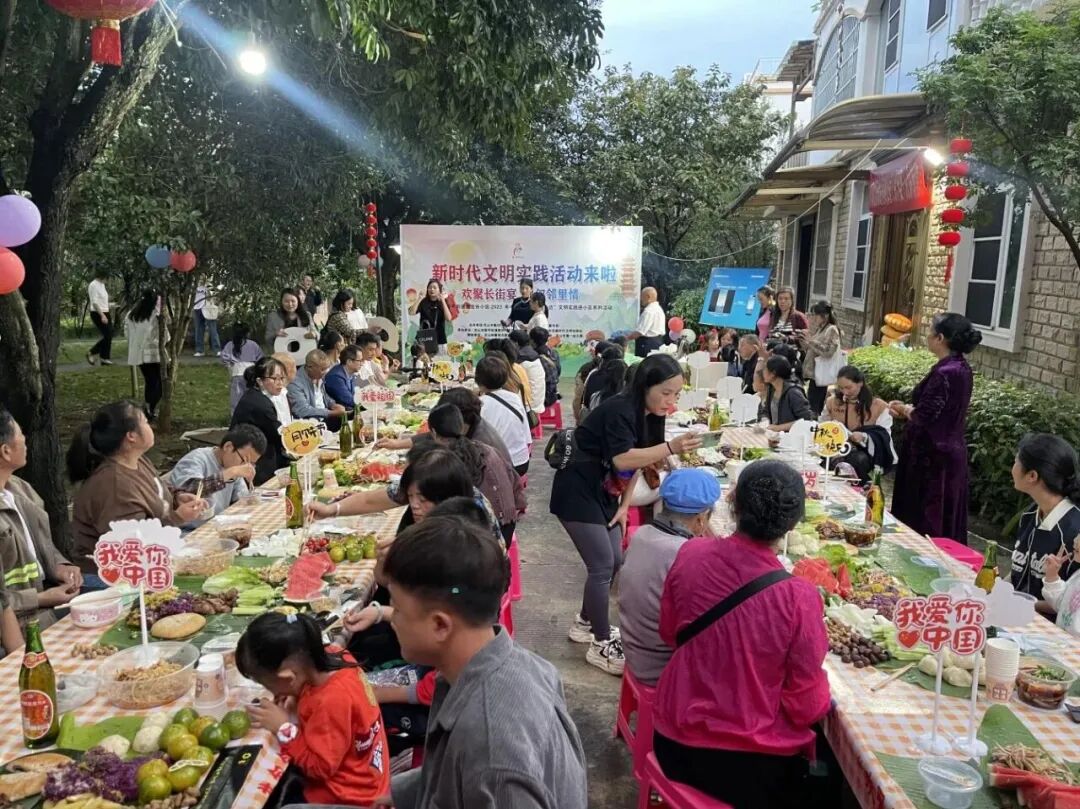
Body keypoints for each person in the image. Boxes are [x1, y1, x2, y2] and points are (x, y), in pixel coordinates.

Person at [376, 517, 588, 809]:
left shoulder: (492, 751)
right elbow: (454, 772)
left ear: (440, 625)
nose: (393, 620)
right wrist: (405, 793)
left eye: (397, 609)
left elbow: (486, 771)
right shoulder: (524, 665)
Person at [653, 460, 829, 808]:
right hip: (749, 767)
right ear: (793, 523)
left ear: (732, 502)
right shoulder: (799, 597)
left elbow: (669, 633)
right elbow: (806, 708)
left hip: (672, 739)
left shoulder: (691, 553)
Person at [550, 354, 702, 675]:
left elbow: (639, 462)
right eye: (666, 393)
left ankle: (585, 623)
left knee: (615, 560)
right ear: (645, 386)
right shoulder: (620, 409)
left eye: (676, 394)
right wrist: (672, 448)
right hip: (577, 488)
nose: (671, 401)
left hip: (604, 489)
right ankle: (601, 643)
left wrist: (623, 506)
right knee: (601, 566)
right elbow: (622, 458)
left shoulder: (650, 413)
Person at [238, 612, 390, 806]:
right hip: (370, 772)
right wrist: (294, 693)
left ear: (288, 677)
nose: (270, 690)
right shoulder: (335, 654)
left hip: (353, 796)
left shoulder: (330, 702)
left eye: (266, 684)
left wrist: (283, 728)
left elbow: (320, 767)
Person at [69, 401, 207, 578]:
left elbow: (154, 492)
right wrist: (177, 518)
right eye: (145, 422)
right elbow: (132, 545)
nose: (151, 427)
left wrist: (176, 498)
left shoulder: (138, 461)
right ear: (131, 436)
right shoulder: (114, 485)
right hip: (110, 576)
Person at [618, 469, 719, 686]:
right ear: (701, 520)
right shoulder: (686, 556)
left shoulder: (641, 534)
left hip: (635, 652)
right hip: (661, 670)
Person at [889, 313, 981, 542]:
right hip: (949, 450)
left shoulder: (945, 372)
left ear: (940, 338)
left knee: (926, 521)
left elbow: (925, 415)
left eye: (930, 332)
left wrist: (904, 409)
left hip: (931, 458)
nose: (927, 336)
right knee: (945, 518)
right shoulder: (961, 367)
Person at [0, 409, 82, 628]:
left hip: (46, 606)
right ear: (6, 451)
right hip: (20, 623)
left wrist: (60, 566)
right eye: (20, 434)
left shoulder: (20, 489)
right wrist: (40, 598)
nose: (25, 439)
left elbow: (40, 545)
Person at [423, 404, 525, 546]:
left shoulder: (446, 465)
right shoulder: (487, 449)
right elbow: (515, 481)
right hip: (508, 524)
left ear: (434, 433)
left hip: (484, 538)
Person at [1009, 433, 1080, 606]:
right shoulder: (1031, 514)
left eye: (1016, 462)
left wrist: (1022, 604)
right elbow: (1017, 572)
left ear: (1032, 476)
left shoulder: (1074, 531)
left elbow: (1070, 603)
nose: (1012, 468)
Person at [168, 425, 266, 526]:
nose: (245, 465)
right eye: (244, 459)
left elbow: (241, 500)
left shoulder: (233, 465)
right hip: (187, 530)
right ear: (228, 446)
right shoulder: (195, 460)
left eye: (251, 463)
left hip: (217, 525)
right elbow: (189, 490)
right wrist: (231, 472)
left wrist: (251, 496)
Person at [821, 366, 896, 480]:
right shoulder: (832, 402)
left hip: (864, 453)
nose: (845, 392)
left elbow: (884, 435)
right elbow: (822, 425)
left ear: (860, 383)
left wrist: (864, 436)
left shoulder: (878, 406)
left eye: (848, 387)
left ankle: (861, 486)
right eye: (841, 388)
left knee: (858, 460)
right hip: (835, 448)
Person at [232, 358, 291, 486]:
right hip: (250, 461)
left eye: (282, 378)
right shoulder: (259, 404)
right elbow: (279, 433)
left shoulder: (259, 396)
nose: (280, 383)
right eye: (274, 378)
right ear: (260, 381)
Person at [476, 356, 532, 476]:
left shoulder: (479, 404)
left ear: (478, 380)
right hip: (521, 462)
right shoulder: (515, 398)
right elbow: (527, 437)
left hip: (497, 465)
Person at [125, 290, 166, 422]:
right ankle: (150, 408)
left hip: (138, 354)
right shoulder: (155, 316)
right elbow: (164, 336)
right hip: (154, 353)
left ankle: (149, 407)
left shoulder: (131, 314)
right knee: (160, 382)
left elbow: (127, 333)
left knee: (150, 381)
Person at [798, 301, 842, 414]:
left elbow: (828, 352)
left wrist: (811, 341)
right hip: (815, 374)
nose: (813, 318)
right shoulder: (821, 329)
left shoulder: (831, 329)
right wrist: (804, 342)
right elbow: (814, 350)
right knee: (812, 402)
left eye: (815, 315)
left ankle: (813, 422)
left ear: (825, 315)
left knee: (814, 406)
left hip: (821, 374)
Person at [287, 350, 347, 426]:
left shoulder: (319, 375)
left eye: (327, 368)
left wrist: (332, 404)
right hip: (310, 424)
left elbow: (323, 395)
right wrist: (330, 413)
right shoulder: (295, 383)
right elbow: (302, 410)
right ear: (310, 367)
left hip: (325, 417)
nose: (326, 372)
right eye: (322, 369)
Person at [761, 356, 814, 431]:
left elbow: (806, 419)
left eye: (765, 369)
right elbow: (765, 411)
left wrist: (779, 428)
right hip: (774, 434)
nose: (763, 372)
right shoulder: (772, 389)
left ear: (773, 373)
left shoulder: (793, 393)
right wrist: (765, 422)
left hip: (791, 435)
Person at [221, 323, 264, 413]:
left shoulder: (230, 345)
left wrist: (230, 367)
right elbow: (260, 359)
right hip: (251, 372)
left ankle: (236, 416)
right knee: (252, 396)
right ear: (247, 333)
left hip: (237, 373)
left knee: (236, 398)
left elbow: (224, 359)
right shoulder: (253, 344)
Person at [409, 279, 452, 354]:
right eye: (430, 287)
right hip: (424, 340)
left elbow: (448, 318)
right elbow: (411, 312)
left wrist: (442, 300)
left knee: (440, 361)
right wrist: (419, 298)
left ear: (439, 290)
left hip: (440, 340)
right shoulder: (423, 302)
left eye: (435, 287)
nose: (432, 289)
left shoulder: (443, 302)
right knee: (423, 361)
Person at [508, 330, 546, 413]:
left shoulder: (520, 359)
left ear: (516, 343)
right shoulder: (534, 354)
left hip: (528, 406)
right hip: (539, 402)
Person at [629, 287, 666, 358]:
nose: (641, 299)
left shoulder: (649, 311)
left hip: (647, 344)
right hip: (657, 342)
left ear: (648, 297)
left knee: (643, 363)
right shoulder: (659, 309)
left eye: (642, 296)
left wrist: (625, 339)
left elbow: (640, 332)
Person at [86, 270, 113, 366]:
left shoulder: (102, 285)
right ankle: (92, 352)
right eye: (107, 278)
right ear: (103, 276)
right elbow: (94, 302)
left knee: (109, 335)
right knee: (108, 335)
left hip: (105, 312)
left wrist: (110, 305)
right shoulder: (93, 285)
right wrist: (102, 315)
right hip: (97, 313)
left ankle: (104, 358)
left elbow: (102, 300)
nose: (107, 281)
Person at [325, 345, 363, 411]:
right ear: (349, 362)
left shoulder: (350, 372)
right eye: (359, 361)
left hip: (349, 410)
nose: (361, 364)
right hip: (339, 414)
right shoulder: (336, 377)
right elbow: (349, 400)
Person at [530, 327, 560, 409]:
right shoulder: (554, 353)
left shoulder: (533, 356)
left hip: (542, 398)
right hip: (553, 394)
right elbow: (558, 372)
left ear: (532, 340)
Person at [192, 284, 221, 357]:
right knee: (198, 330)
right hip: (197, 308)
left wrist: (208, 288)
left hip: (208, 308)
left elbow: (213, 294)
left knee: (212, 329)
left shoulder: (208, 284)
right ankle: (199, 350)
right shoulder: (194, 284)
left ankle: (217, 350)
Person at [270, 352, 298, 427]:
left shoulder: (283, 390)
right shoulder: (275, 393)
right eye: (294, 366)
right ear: (288, 370)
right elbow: (282, 424)